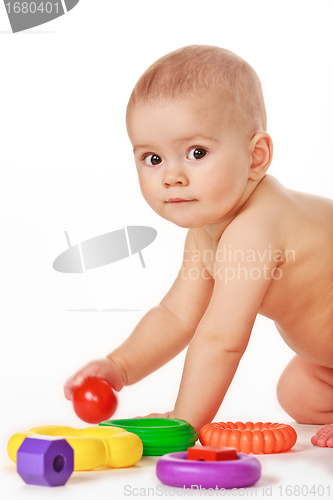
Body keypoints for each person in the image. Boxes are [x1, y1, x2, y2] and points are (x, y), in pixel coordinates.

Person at [64, 45, 333, 447]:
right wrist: (120, 366)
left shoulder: (254, 231)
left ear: (255, 157)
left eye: (196, 153)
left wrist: (185, 418)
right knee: (299, 392)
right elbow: (177, 315)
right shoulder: (208, 231)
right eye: (152, 158)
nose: (172, 175)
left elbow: (222, 338)